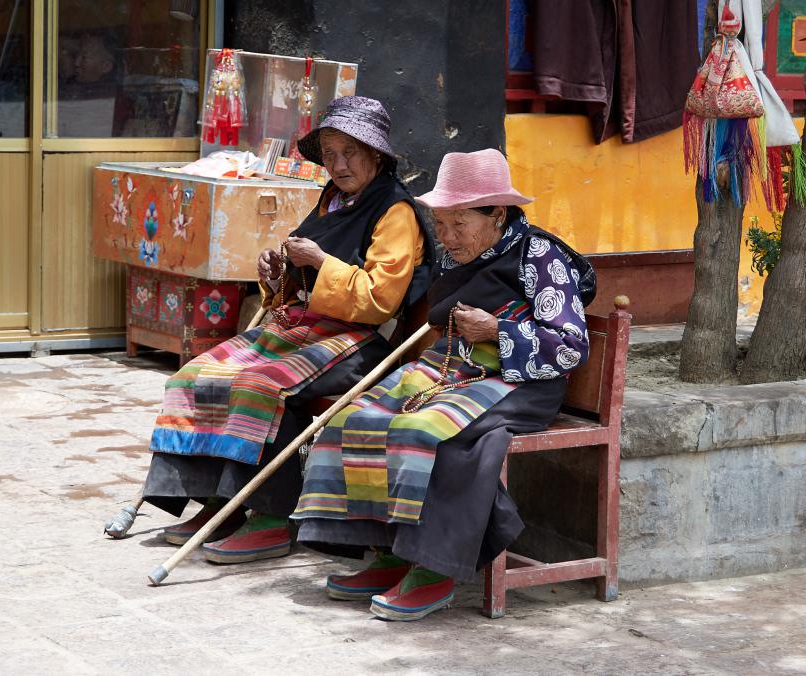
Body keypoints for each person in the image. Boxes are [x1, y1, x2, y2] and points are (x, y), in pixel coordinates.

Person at [291, 148, 596, 621]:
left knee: (422, 431)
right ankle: (390, 549)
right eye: (441, 224)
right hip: (451, 370)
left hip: (518, 382)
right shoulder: (461, 255)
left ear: (497, 214)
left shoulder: (541, 255)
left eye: (460, 223)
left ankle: (433, 569)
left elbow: (572, 346)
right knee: (356, 417)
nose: (448, 237)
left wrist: (498, 331)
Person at [141, 96, 433, 565]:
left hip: (357, 339)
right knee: (197, 375)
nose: (338, 164)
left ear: (376, 155)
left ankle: (271, 519)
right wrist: (276, 274)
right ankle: (221, 503)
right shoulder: (331, 200)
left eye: (350, 153)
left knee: (262, 387)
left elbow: (381, 300)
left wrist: (320, 262)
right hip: (303, 326)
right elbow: (298, 287)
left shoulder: (395, 211)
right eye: (331, 153)